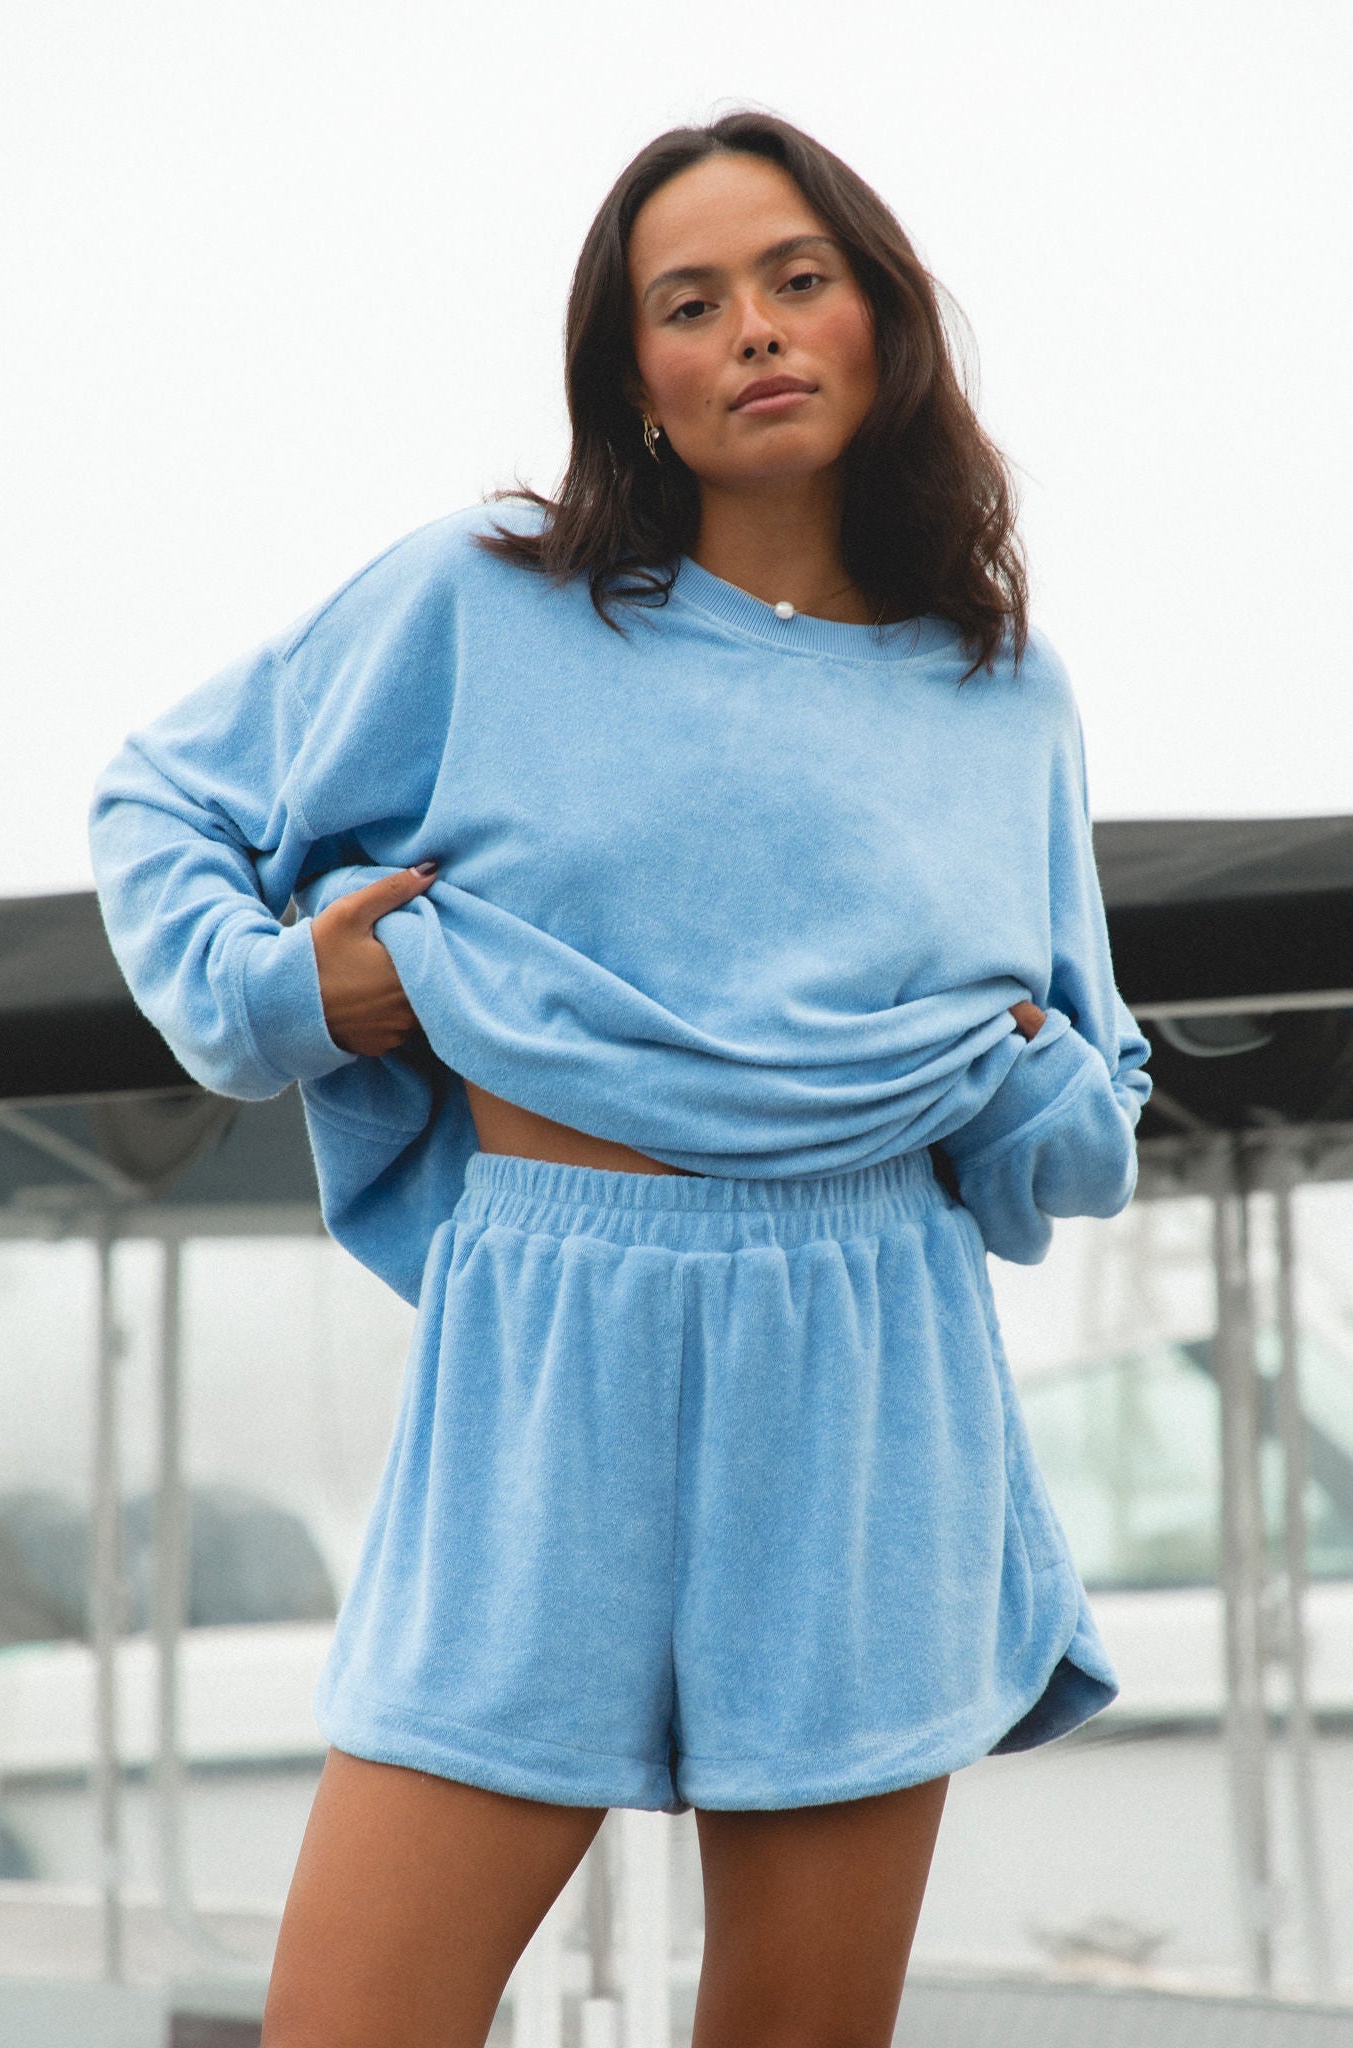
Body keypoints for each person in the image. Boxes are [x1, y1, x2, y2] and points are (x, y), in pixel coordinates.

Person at [89, 110, 1151, 2048]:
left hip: (866, 1350)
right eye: (690, 301)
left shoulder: (1003, 687)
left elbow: (1087, 1095)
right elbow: (165, 799)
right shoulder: (478, 598)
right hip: (552, 1327)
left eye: (795, 278)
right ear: (631, 374)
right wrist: (285, 993)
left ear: (880, 316)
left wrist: (1021, 1084)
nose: (753, 328)